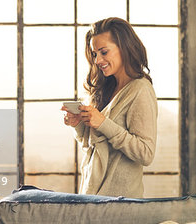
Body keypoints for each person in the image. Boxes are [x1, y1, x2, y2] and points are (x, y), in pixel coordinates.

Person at [62, 17, 157, 198]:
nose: (97, 60)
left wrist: (103, 123)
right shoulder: (105, 88)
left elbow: (146, 153)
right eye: (95, 54)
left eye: (104, 52)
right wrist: (78, 125)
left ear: (125, 48)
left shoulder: (140, 90)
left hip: (119, 204)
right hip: (92, 197)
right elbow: (94, 147)